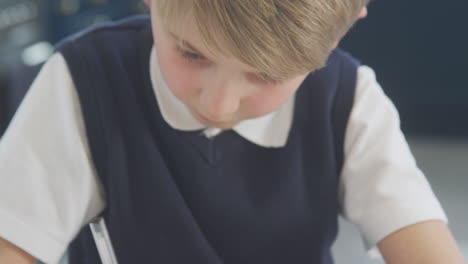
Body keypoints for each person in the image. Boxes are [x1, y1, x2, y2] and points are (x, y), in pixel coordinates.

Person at [0, 0, 465, 263]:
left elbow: (421, 243)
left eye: (264, 75)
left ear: (340, 32)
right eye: (191, 54)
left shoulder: (347, 99)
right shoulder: (84, 81)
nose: (218, 104)